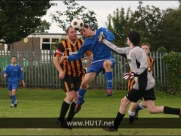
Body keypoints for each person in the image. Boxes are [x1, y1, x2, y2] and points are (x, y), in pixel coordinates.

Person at [100, 30, 181, 131]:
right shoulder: (128, 50)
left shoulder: (138, 51)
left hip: (143, 83)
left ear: (130, 39)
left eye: (128, 37)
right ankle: (179, 112)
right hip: (146, 83)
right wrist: (104, 41)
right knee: (152, 109)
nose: (126, 38)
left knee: (124, 102)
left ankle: (114, 126)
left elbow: (144, 66)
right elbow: (115, 49)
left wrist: (132, 74)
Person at [62, 24, 116, 113]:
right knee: (83, 84)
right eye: (81, 32)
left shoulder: (101, 31)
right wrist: (68, 57)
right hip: (96, 62)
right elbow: (79, 55)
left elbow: (111, 36)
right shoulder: (86, 42)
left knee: (106, 64)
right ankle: (79, 102)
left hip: (108, 58)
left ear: (89, 28)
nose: (83, 33)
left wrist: (104, 40)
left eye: (84, 30)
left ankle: (109, 89)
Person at [53, 26, 93, 128]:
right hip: (67, 75)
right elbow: (55, 59)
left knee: (78, 99)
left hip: (79, 75)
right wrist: (60, 71)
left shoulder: (82, 43)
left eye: (75, 32)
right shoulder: (62, 45)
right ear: (67, 34)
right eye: (72, 32)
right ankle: (60, 119)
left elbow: (90, 56)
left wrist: (89, 71)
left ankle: (68, 121)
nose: (75, 33)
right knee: (70, 96)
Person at [128, 43, 154, 124]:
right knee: (133, 104)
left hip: (145, 84)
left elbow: (150, 71)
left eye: (146, 48)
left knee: (147, 104)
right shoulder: (135, 58)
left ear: (149, 50)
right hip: (134, 82)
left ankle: (136, 110)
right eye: (142, 48)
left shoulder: (151, 60)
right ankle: (131, 120)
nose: (144, 50)